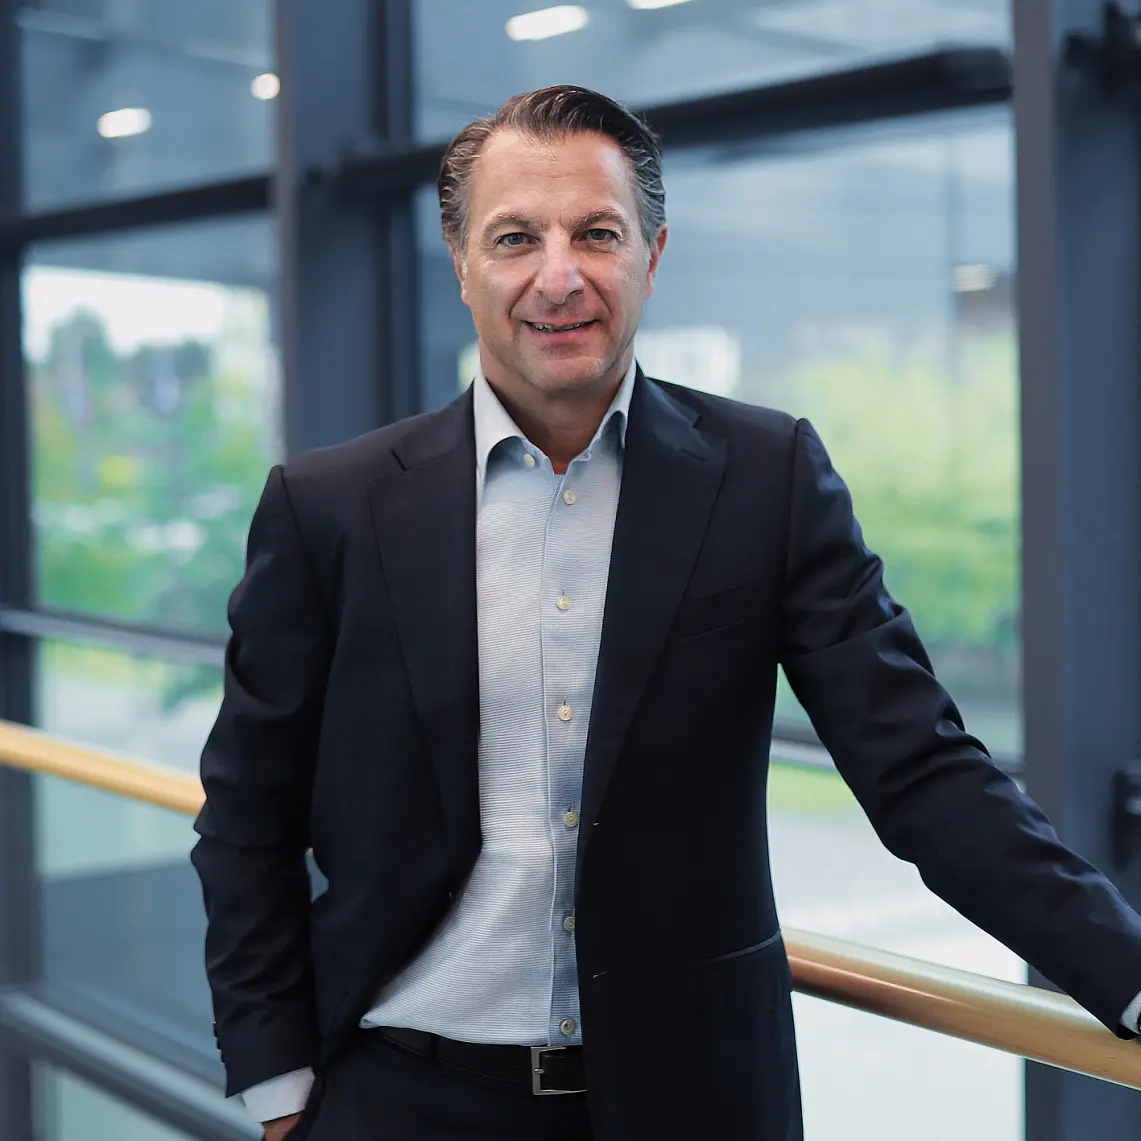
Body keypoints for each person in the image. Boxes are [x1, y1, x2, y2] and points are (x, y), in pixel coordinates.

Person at [191, 84, 1141, 1141]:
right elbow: (245, 817)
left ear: (652, 252)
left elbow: (922, 769)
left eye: (596, 232)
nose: (560, 275)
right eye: (516, 238)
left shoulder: (765, 476)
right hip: (401, 1098)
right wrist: (279, 1088)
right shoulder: (331, 507)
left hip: (696, 1101)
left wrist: (1126, 971)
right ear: (461, 263)